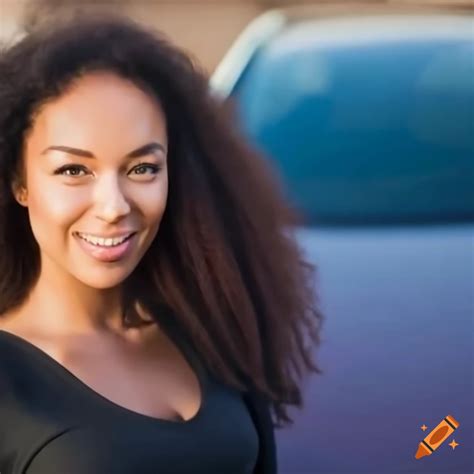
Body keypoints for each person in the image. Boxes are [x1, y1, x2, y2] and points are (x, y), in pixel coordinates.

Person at [0, 12, 323, 474]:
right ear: (20, 182)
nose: (113, 205)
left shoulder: (207, 327)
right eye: (74, 170)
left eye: (142, 168)